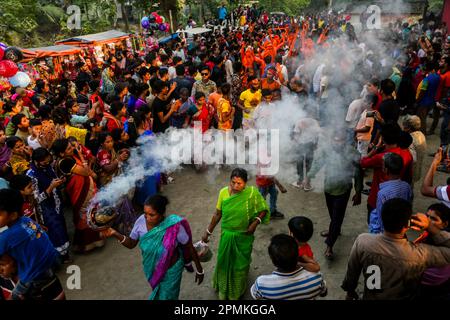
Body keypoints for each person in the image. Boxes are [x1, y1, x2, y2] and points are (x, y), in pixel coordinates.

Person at [342, 198, 450, 300]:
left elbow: (352, 272)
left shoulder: (363, 241)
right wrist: (429, 227)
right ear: (408, 224)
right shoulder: (420, 254)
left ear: (382, 219)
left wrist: (350, 291)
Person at [100, 195, 204, 300]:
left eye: (152, 215)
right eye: (145, 214)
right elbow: (131, 243)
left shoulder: (174, 226)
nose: (147, 218)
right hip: (152, 269)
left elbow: (189, 247)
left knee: (167, 297)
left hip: (171, 271)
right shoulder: (140, 221)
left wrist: (199, 270)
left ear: (162, 214)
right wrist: (115, 233)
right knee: (159, 293)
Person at [202, 168, 269, 300]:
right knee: (223, 261)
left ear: (246, 183)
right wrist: (207, 232)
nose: (236, 186)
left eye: (240, 183)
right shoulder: (223, 193)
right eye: (233, 182)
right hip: (227, 235)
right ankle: (222, 287)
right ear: (230, 181)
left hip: (244, 236)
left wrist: (255, 223)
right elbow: (217, 214)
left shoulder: (251, 193)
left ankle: (236, 291)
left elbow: (263, 209)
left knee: (240, 264)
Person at [307, 130, 363, 259]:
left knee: (337, 217)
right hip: (329, 187)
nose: (337, 143)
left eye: (341, 140)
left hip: (344, 189)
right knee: (333, 215)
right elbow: (318, 163)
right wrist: (309, 177)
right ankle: (334, 230)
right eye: (335, 140)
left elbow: (358, 173)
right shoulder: (327, 150)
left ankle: (329, 245)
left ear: (345, 141)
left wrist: (358, 191)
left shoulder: (352, 153)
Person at [0, 188, 63, 300]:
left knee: (13, 296)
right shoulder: (26, 220)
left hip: (33, 277)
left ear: (13, 215)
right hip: (50, 265)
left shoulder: (6, 237)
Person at [51, 138, 104, 253]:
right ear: (61, 153)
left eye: (72, 146)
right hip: (79, 193)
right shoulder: (65, 162)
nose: (73, 149)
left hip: (86, 190)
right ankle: (86, 244)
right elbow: (85, 172)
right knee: (85, 216)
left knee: (92, 213)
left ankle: (96, 239)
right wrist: (81, 155)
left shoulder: (70, 158)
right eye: (69, 148)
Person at [250, 234, 327, 300]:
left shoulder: (262, 283)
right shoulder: (316, 277)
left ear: (273, 261)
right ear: (297, 256)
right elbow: (323, 293)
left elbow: (255, 296)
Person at [368, 152, 413, 234]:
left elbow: (381, 219)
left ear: (385, 170)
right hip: (399, 227)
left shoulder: (382, 193)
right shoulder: (407, 186)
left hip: (385, 233)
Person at [416, 203, 450, 299]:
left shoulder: (442, 241)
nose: (428, 221)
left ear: (445, 224)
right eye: (427, 217)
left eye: (434, 219)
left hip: (435, 289)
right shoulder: (427, 235)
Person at [402, 115, 427, 184]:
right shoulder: (421, 135)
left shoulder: (410, 139)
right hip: (417, 168)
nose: (403, 128)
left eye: (404, 126)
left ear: (408, 128)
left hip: (410, 171)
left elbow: (413, 158)